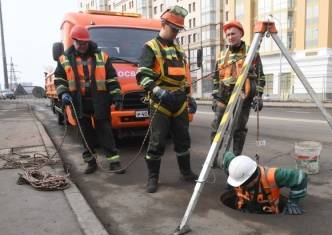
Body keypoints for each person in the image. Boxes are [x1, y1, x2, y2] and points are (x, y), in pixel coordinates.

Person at [136, 6, 197, 193]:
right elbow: (142, 76)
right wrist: (157, 90)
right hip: (161, 102)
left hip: (179, 102)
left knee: (183, 140)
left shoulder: (178, 49)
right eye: (174, 29)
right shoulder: (150, 47)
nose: (176, 33)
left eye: (178, 30)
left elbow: (183, 77)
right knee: (157, 143)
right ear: (163, 24)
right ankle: (153, 178)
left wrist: (189, 97)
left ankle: (186, 173)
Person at [54, 25, 124, 174]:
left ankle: (114, 162)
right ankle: (91, 163)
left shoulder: (102, 57)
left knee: (105, 132)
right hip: (78, 102)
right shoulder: (64, 59)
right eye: (79, 43)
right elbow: (60, 79)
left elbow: (112, 79)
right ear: (74, 41)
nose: (82, 46)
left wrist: (117, 96)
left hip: (100, 101)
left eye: (85, 43)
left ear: (88, 42)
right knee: (85, 134)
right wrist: (63, 93)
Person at [211, 20, 265, 156]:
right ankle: (213, 157)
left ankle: (235, 157)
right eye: (227, 34)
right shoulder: (222, 54)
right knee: (217, 126)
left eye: (233, 33)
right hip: (223, 96)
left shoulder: (251, 53)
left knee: (238, 128)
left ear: (241, 33)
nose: (230, 37)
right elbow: (216, 78)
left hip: (243, 95)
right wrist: (214, 98)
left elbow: (260, 76)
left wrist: (258, 95)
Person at [223, 152, 307, 215]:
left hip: (268, 212)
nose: (240, 186)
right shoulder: (236, 169)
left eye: (244, 184)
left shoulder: (273, 176)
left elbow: (300, 176)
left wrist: (293, 202)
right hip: (243, 208)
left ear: (254, 178)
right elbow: (227, 155)